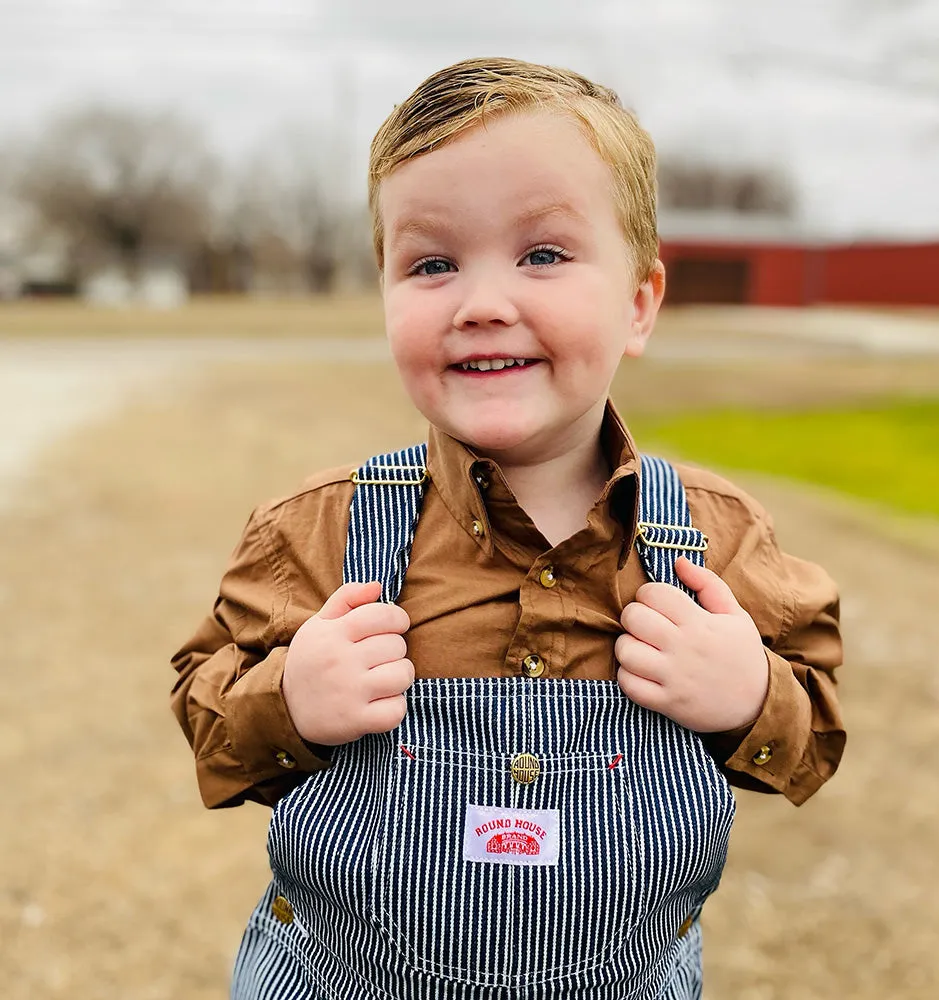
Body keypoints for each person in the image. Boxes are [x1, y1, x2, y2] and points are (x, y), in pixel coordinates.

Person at [171, 57, 845, 1000]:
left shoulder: (716, 541)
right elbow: (209, 730)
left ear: (640, 303)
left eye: (543, 255)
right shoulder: (316, 534)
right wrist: (290, 701)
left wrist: (748, 697)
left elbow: (813, 736)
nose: (482, 303)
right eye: (432, 264)